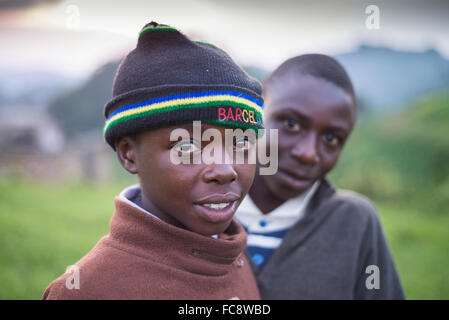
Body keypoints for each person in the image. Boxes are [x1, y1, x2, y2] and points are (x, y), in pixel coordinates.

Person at [42, 22, 264, 300]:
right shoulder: (87, 290)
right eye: (187, 146)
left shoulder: (238, 257)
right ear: (128, 154)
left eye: (241, 143)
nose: (224, 170)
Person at [235, 54, 405, 299]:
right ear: (256, 111)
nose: (308, 154)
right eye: (291, 124)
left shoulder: (355, 222)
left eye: (331, 139)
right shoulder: (197, 206)